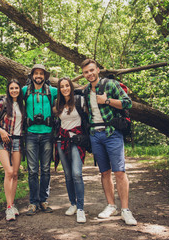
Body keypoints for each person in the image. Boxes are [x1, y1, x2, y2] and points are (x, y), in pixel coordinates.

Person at [0, 64, 57, 215]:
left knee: (46, 170)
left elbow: (69, 92)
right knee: (33, 170)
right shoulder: (25, 91)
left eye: (41, 73)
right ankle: (33, 202)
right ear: (32, 76)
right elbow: (10, 95)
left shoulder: (52, 91)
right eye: (36, 73)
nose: (38, 76)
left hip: (48, 133)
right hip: (30, 135)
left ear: (45, 76)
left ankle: (44, 200)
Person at [80, 59, 137, 225]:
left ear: (98, 70)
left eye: (91, 70)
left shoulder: (111, 85)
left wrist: (106, 101)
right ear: (83, 74)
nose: (89, 74)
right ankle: (111, 206)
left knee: (119, 172)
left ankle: (125, 210)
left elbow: (128, 103)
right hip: (95, 135)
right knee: (104, 172)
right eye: (86, 72)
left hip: (112, 133)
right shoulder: (85, 92)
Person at [0, 79, 25, 221]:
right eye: (11, 88)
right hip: (3, 140)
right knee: (8, 172)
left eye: (16, 88)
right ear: (8, 90)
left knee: (15, 174)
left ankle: (12, 204)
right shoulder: (2, 103)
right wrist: (2, 132)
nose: (14, 90)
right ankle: (8, 207)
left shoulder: (22, 105)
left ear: (19, 90)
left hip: (18, 140)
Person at [53, 77, 87, 223]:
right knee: (67, 175)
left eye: (67, 85)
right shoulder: (57, 104)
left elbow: (88, 116)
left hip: (76, 141)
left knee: (77, 174)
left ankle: (80, 208)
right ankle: (72, 204)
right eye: (62, 86)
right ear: (59, 89)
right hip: (62, 140)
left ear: (71, 87)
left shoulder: (80, 100)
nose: (65, 88)